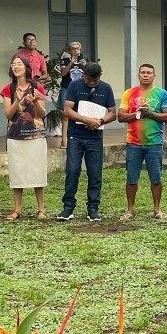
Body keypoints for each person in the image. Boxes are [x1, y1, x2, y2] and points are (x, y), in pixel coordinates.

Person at [56, 63, 116, 222]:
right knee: (73, 170)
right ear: (83, 75)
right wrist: (86, 120)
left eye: (95, 81)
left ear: (100, 77)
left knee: (95, 173)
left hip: (95, 137)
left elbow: (112, 113)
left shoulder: (106, 88)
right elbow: (67, 110)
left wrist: (101, 120)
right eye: (88, 80)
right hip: (76, 136)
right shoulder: (74, 85)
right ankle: (68, 208)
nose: (91, 83)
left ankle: (93, 208)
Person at [118, 64, 167, 221]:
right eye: (142, 72)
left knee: (156, 178)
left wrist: (151, 113)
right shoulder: (129, 93)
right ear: (138, 75)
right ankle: (130, 209)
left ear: (154, 76)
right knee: (131, 178)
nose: (145, 75)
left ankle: (157, 209)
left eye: (149, 73)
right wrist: (137, 114)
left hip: (154, 142)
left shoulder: (162, 94)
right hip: (133, 143)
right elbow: (121, 116)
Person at [0, 56, 48, 220]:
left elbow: (42, 114)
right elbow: (8, 114)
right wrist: (18, 101)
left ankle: (41, 209)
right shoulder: (8, 89)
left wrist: (35, 102)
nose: (15, 66)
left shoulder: (37, 87)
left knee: (37, 170)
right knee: (17, 171)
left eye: (19, 64)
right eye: (13, 64)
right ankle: (17, 209)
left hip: (35, 135)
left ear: (27, 67)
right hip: (15, 135)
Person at [56, 41, 86, 150]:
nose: (76, 51)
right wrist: (71, 62)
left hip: (79, 90)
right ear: (70, 50)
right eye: (74, 48)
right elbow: (63, 73)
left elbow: (85, 77)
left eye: (78, 48)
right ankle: (64, 141)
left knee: (79, 113)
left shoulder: (82, 61)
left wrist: (85, 66)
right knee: (66, 115)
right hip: (67, 88)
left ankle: (79, 139)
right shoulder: (65, 59)